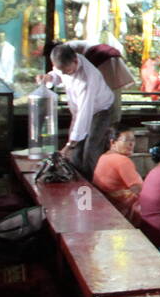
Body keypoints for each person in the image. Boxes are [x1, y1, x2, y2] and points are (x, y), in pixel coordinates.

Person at [36, 42, 114, 177]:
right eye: (62, 71)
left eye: (67, 71)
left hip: (100, 109)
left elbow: (85, 113)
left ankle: (91, 185)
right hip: (79, 110)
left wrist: (68, 145)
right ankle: (75, 179)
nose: (65, 73)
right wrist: (49, 77)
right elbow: (58, 74)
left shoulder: (88, 79)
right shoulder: (67, 61)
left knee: (91, 147)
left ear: (76, 60)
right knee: (77, 150)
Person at [93, 128, 144, 221]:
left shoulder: (104, 156)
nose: (131, 144)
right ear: (113, 142)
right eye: (127, 140)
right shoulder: (122, 160)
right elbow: (138, 189)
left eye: (133, 140)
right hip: (119, 208)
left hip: (106, 204)